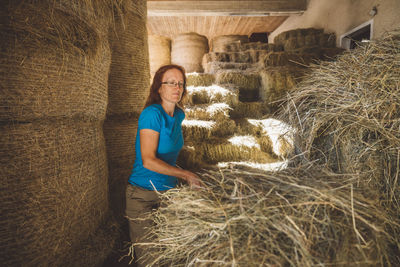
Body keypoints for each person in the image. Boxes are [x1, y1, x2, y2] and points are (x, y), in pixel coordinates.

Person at [125, 64, 201, 266]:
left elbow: (170, 153)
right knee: (153, 260)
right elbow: (148, 160)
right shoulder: (152, 114)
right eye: (171, 83)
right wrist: (186, 174)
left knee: (174, 254)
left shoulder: (178, 115)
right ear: (159, 88)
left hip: (169, 194)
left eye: (181, 84)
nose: (177, 88)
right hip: (143, 195)